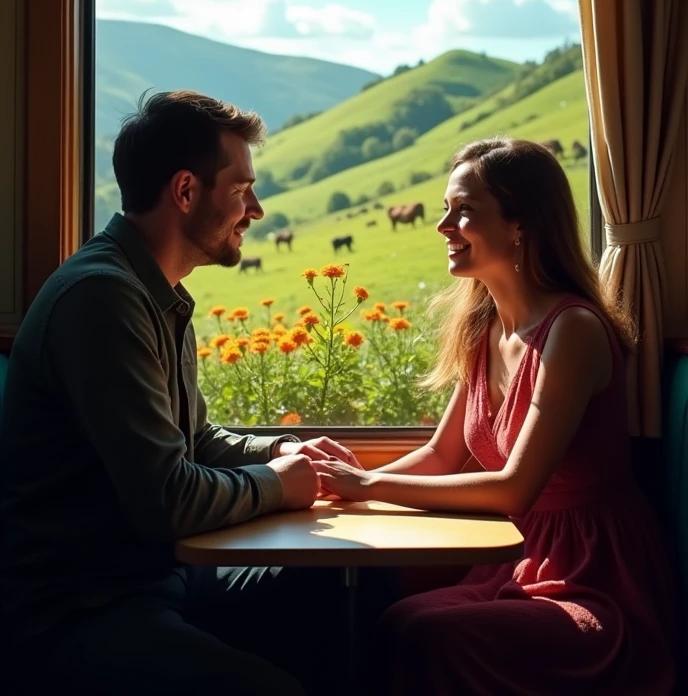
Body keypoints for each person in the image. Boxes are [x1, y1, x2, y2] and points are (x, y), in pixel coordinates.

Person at [0, 90, 360, 696]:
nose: (258, 210)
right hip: (75, 608)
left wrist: (279, 454)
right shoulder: (102, 299)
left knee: (340, 579)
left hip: (150, 576)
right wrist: (278, 485)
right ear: (186, 191)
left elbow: (192, 441)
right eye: (242, 189)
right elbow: (167, 499)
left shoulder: (154, 290)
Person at [315, 137, 677, 695]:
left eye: (463, 210)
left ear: (519, 225)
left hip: (592, 577)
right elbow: (441, 456)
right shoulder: (487, 331)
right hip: (516, 560)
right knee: (391, 617)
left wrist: (367, 483)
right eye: (444, 209)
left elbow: (513, 490)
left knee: (428, 632)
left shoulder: (572, 330)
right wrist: (333, 493)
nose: (443, 226)